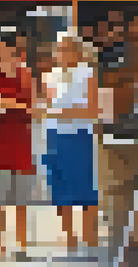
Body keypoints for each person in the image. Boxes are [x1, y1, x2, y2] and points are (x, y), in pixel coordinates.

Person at [41, 31, 101, 254]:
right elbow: (48, 108)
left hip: (80, 136)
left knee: (85, 187)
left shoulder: (88, 74)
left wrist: (66, 112)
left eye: (66, 48)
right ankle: (69, 236)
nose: (61, 53)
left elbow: (94, 110)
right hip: (54, 136)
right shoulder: (50, 76)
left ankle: (90, 237)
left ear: (77, 51)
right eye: (59, 48)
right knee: (60, 188)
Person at [0, 31, 36, 261]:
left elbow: (34, 108)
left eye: (0, 47)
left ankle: (22, 246)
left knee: (21, 198)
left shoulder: (25, 75)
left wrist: (9, 102)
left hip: (20, 141)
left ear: (12, 49)